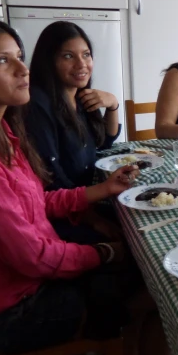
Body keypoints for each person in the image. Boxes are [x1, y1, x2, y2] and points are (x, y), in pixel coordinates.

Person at [0, 16, 177, 355]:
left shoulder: (2, 136)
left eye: (19, 57)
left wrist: (102, 190)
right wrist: (101, 252)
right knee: (161, 293)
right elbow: (32, 255)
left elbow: (39, 201)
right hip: (12, 309)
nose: (21, 69)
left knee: (145, 272)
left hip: (31, 282)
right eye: (2, 61)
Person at [25, 21, 122, 244]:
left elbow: (105, 142)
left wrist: (113, 105)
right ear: (49, 62)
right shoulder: (38, 105)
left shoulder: (78, 97)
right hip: (63, 216)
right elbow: (51, 179)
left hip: (87, 200)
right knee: (132, 237)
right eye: (68, 56)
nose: (81, 64)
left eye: (86, 55)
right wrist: (94, 220)